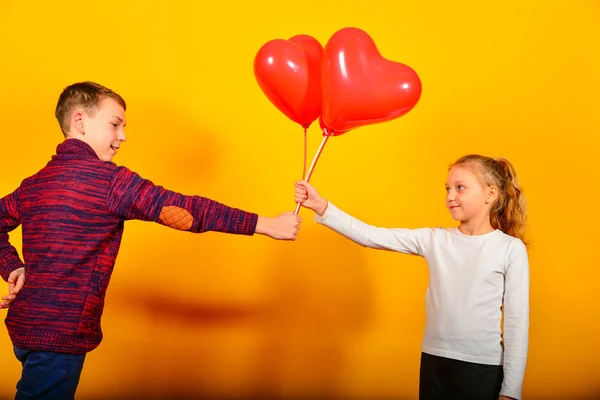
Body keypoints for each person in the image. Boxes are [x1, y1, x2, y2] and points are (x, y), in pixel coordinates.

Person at [0, 81, 302, 400]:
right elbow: (187, 211)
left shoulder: (34, 183)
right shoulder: (111, 183)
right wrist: (264, 224)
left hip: (25, 329)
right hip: (58, 337)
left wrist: (12, 267)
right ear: (79, 121)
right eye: (115, 124)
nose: (123, 136)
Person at [294, 154, 529, 400]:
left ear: (490, 194)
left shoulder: (510, 249)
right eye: (448, 188)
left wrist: (511, 390)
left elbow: (517, 323)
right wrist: (322, 206)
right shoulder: (435, 239)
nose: (450, 196)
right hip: (434, 361)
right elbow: (370, 235)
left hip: (481, 367)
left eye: (460, 188)